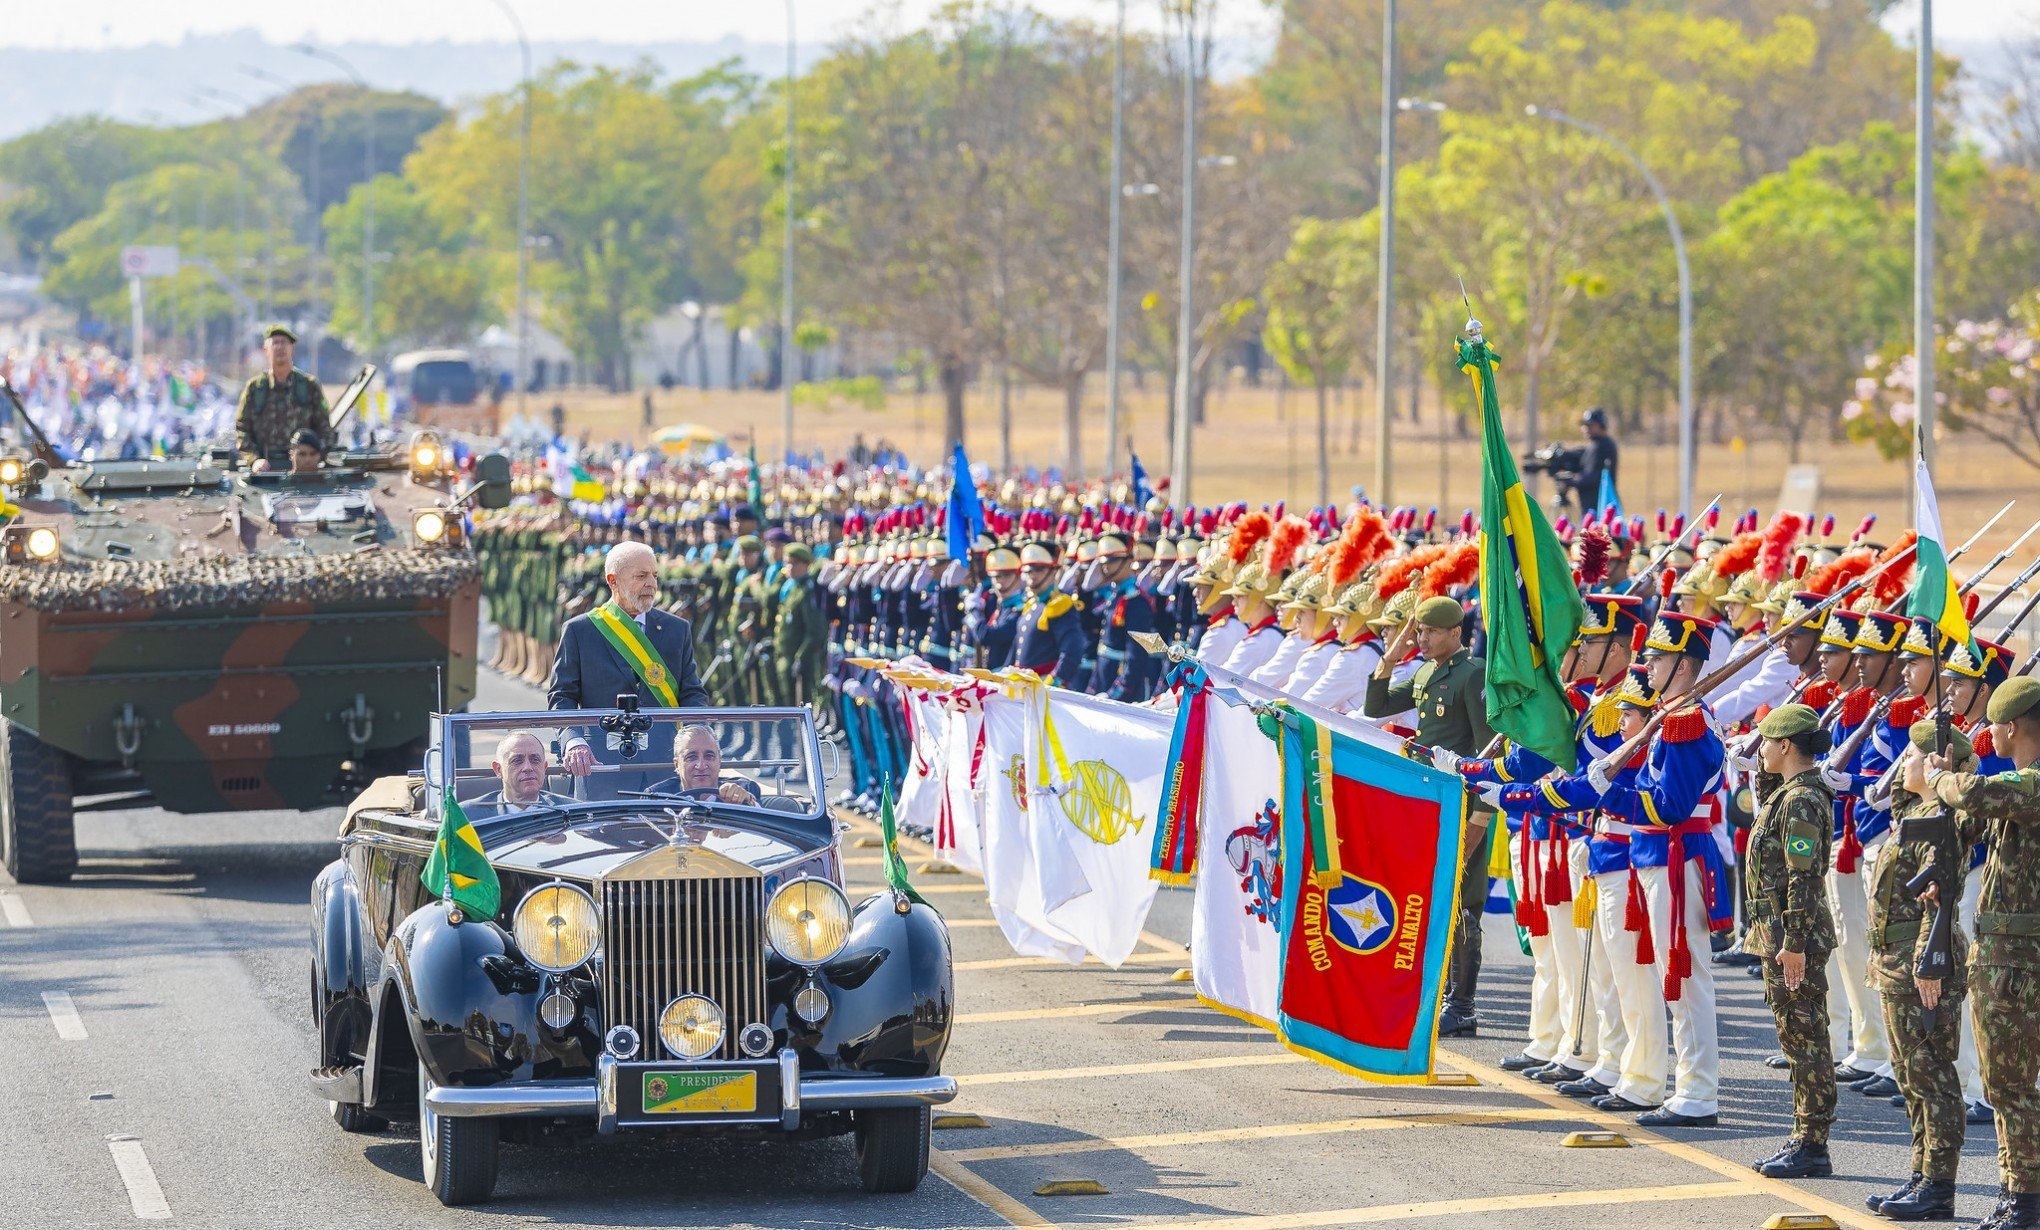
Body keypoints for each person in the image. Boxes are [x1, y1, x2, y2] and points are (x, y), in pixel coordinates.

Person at [1922, 675, 2040, 1229]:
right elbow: (1968, 816)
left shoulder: (2031, 785)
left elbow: (1972, 795)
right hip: (2010, 951)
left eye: (1992, 724)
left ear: (2012, 727)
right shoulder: (2018, 788)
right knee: (2009, 1082)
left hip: (2017, 955)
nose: (1988, 732)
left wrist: (1943, 775)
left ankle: (2022, 1199)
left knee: (2008, 1084)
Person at [1863, 719, 1978, 1220]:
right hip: (1894, 963)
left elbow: (1942, 897)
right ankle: (1919, 1172)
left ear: (1935, 764)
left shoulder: (1942, 821)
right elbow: (1885, 792)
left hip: (1922, 965)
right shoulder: (1916, 810)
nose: (1902, 764)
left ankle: (1938, 1185)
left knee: (1932, 1076)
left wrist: (1929, 964)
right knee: (1912, 1076)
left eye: (1911, 755)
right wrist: (1923, 767)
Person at [1364, 594, 1492, 1037]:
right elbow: (1375, 707)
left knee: (1462, 903)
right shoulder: (1424, 670)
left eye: (1430, 632)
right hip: (1428, 804)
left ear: (1455, 632)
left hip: (1461, 805)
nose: (1422, 638)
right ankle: (1435, 993)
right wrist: (1392, 655)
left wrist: (1479, 821)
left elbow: (1488, 751)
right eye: (1419, 631)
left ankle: (1464, 1005)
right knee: (1432, 895)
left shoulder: (1472, 674)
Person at [1739, 702, 1838, 1179]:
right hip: (1778, 936)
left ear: (1784, 746)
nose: (1759, 751)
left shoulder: (1801, 800)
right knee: (1795, 1037)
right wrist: (1758, 776)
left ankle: (1812, 1143)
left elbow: (1803, 877)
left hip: (1792, 938)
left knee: (1806, 1040)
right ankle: (1804, 1135)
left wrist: (1795, 941)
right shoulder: (1790, 793)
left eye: (1764, 744)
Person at [549, 540, 710, 775]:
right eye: (641, 576)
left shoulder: (676, 629)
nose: (651, 584)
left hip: (664, 765)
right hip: (600, 766)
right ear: (612, 581)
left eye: (655, 576)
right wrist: (573, 741)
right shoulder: (580, 630)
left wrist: (694, 734)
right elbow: (561, 697)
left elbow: (692, 692)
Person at [235, 324, 331, 472]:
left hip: (303, 470)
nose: (280, 347)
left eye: (284, 342)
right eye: (275, 343)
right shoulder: (255, 388)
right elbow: (242, 429)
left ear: (292, 348)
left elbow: (325, 429)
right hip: (265, 469)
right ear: (266, 349)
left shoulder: (309, 386)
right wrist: (253, 460)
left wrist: (315, 457)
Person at [646, 724, 760, 806]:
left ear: (719, 762)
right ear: (677, 765)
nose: (701, 766)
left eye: (709, 756)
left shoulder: (745, 790)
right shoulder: (656, 797)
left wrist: (748, 802)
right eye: (691, 757)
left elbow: (762, 830)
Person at [466, 730, 573, 816]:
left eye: (535, 760)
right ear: (498, 769)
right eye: (517, 761)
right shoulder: (466, 817)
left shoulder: (573, 811)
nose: (528, 768)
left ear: (544, 768)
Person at [1570, 407, 1619, 515]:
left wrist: (1571, 481)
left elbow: (1593, 475)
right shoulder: (1594, 445)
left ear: (1601, 425)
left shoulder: (1604, 445)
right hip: (1590, 505)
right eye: (1585, 425)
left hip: (1600, 506)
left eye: (1590, 425)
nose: (1586, 428)